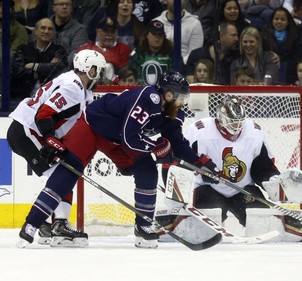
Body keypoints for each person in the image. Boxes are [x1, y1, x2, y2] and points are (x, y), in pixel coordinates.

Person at [16, 70, 220, 249]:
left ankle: (143, 225)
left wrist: (201, 164)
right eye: (181, 97)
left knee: (147, 167)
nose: (183, 102)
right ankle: (32, 223)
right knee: (70, 169)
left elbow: (179, 144)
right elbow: (130, 138)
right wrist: (155, 148)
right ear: (168, 94)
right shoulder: (148, 98)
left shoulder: (173, 113)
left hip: (117, 138)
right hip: (92, 127)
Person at [8, 49, 107, 247]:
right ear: (88, 68)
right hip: (27, 131)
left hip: (28, 130)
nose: (101, 75)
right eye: (98, 70)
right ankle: (56, 225)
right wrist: (50, 139)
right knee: (65, 172)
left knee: (65, 171)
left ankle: (48, 224)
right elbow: (44, 114)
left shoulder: (79, 87)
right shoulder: (73, 87)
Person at [183, 96, 302, 242]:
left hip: (243, 190)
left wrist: (273, 181)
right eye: (232, 123)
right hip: (208, 189)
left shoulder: (254, 133)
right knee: (203, 233)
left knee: (266, 226)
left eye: (239, 123)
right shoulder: (199, 131)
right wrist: (201, 172)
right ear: (220, 118)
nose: (236, 128)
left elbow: (263, 167)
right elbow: (183, 159)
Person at [10, 18, 68, 101]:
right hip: (22, 98)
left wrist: (34, 66)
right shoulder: (23, 49)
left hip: (49, 100)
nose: (46, 31)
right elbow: (18, 71)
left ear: (54, 33)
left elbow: (59, 69)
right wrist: (46, 68)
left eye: (50, 29)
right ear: (36, 31)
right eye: (43, 28)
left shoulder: (59, 50)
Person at [76, 16, 132, 84]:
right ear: (98, 31)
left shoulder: (123, 50)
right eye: (106, 31)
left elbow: (125, 75)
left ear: (117, 33)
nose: (109, 35)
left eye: (112, 32)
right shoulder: (86, 49)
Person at [153, 0, 204, 65]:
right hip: (159, 65)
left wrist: (178, 63)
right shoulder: (156, 23)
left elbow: (195, 54)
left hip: (185, 67)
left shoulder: (195, 23)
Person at [261, 7, 301, 84]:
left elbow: (296, 57)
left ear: (288, 21)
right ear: (272, 20)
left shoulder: (295, 35)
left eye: (283, 19)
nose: (279, 21)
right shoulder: (264, 35)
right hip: (270, 69)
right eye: (276, 19)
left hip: (289, 71)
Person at [129, 20, 175, 85]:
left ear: (164, 37)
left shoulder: (172, 53)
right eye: (154, 34)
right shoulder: (137, 53)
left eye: (160, 35)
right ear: (147, 35)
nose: (157, 38)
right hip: (140, 89)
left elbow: (176, 74)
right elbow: (132, 74)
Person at [51, 0, 89, 66]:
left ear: (71, 9)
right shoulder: (44, 27)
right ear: (53, 8)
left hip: (67, 70)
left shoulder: (79, 30)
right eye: (61, 4)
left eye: (68, 4)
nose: (64, 7)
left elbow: (77, 55)